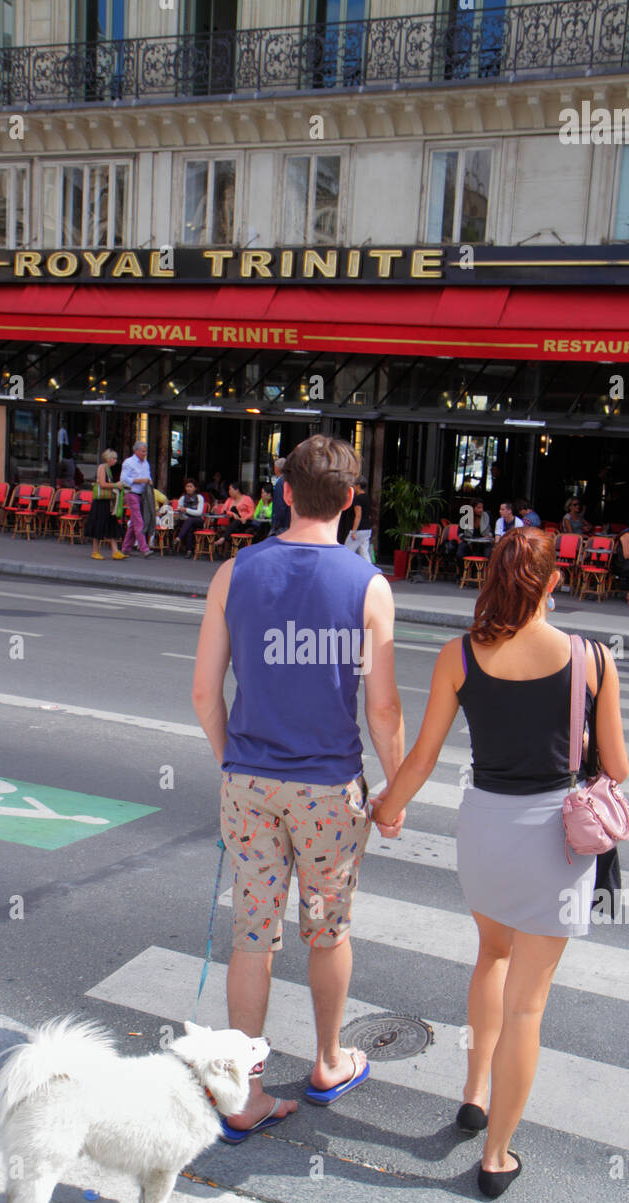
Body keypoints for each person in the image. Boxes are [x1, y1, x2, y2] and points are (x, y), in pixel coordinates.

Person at [371, 528, 628, 1197]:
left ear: (490, 581)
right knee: (527, 1010)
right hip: (557, 841)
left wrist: (387, 807)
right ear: (551, 583)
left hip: (484, 832)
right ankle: (496, 1157)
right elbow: (619, 767)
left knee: (491, 956)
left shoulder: (460, 655)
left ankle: (472, 1091)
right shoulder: (592, 659)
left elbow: (423, 755)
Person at [192, 435, 404, 1138]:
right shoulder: (369, 586)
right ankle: (326, 1060)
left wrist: (235, 762)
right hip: (326, 789)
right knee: (326, 929)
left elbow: (204, 692)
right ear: (351, 500)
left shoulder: (234, 572)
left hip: (250, 782)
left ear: (283, 491)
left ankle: (243, 1096)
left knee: (253, 935)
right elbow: (382, 707)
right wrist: (395, 790)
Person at [86, 448, 125, 560]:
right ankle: (95, 551)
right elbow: (102, 484)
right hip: (101, 501)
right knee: (99, 523)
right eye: (114, 458)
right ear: (109, 459)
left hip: (107, 501)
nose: (116, 460)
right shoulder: (102, 468)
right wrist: (116, 485)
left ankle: (115, 551)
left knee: (111, 523)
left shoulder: (107, 469)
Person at [119, 441, 153, 557]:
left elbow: (148, 476)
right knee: (139, 521)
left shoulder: (146, 463)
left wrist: (149, 481)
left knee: (134, 522)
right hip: (132, 492)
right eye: (143, 451)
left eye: (146, 451)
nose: (145, 453)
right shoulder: (129, 462)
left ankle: (126, 547)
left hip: (142, 494)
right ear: (136, 451)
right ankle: (144, 548)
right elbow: (124, 479)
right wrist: (139, 480)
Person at [213, 480, 255, 556]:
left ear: (237, 490)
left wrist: (244, 518)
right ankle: (227, 540)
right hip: (234, 522)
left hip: (245, 522)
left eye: (230, 489)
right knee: (234, 513)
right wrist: (232, 514)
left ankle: (223, 539)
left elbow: (252, 512)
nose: (229, 491)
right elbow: (224, 510)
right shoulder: (229, 500)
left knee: (237, 521)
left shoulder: (247, 499)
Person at [454, 496, 492, 577]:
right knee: (459, 553)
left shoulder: (487, 516)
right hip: (469, 542)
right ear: (473, 508)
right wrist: (467, 539)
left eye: (482, 508)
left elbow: (492, 531)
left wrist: (489, 535)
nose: (481, 510)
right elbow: (460, 533)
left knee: (488, 552)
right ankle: (462, 574)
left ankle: (478, 575)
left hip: (482, 543)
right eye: (478, 508)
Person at [172, 478, 206, 555]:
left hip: (198, 520)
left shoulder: (199, 497)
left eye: (191, 487)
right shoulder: (183, 498)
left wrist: (186, 510)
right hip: (185, 520)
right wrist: (179, 510)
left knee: (190, 520)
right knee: (189, 526)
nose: (188, 488)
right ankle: (189, 551)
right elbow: (178, 508)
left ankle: (179, 538)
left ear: (195, 488)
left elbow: (199, 512)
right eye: (187, 486)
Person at [344, 477, 372, 560]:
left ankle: (344, 570)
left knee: (347, 551)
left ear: (358, 486)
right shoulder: (367, 498)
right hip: (367, 529)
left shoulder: (358, 499)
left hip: (358, 529)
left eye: (355, 485)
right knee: (364, 553)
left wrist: (353, 531)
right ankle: (370, 570)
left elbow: (358, 516)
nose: (354, 487)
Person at [270, 456, 290, 535]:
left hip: (282, 524)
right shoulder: (290, 480)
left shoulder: (280, 483)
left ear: (277, 469)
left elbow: (280, 504)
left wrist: (276, 524)